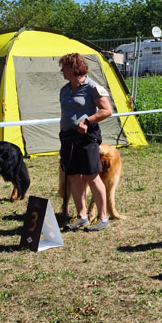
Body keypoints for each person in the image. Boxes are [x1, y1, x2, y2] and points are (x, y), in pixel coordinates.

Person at [58, 52, 113, 232]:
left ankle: (103, 217)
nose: (61, 71)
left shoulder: (92, 87)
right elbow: (64, 113)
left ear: (74, 68)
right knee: (74, 176)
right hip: (68, 138)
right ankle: (82, 216)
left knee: (92, 175)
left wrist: (87, 121)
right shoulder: (65, 90)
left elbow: (106, 110)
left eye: (64, 67)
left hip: (86, 138)